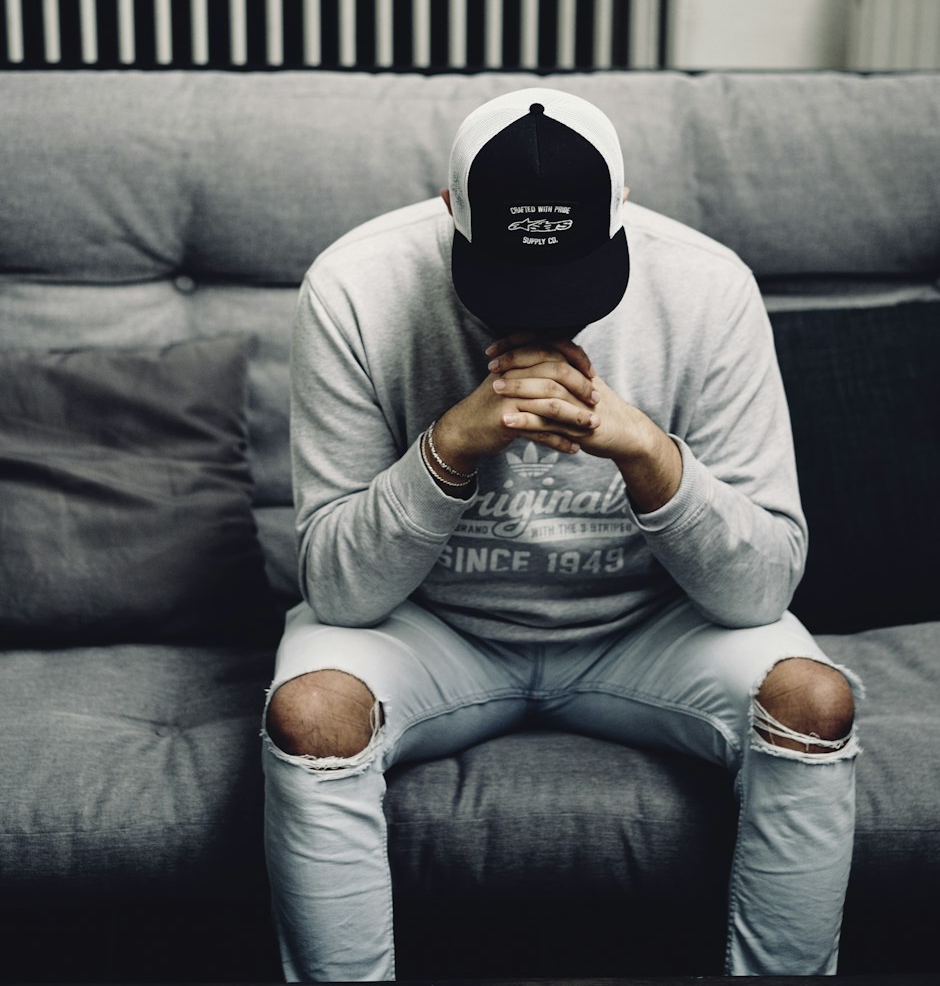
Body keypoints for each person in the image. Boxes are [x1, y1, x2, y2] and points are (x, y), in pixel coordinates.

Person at [262, 87, 862, 981]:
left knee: (815, 701)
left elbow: (763, 587)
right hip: (432, 630)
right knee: (309, 715)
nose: (537, 320)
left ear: (621, 212)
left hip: (646, 632)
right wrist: (450, 444)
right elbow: (339, 590)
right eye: (506, 285)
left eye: (572, 284)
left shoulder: (707, 285)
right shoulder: (354, 285)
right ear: (449, 209)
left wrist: (646, 452)